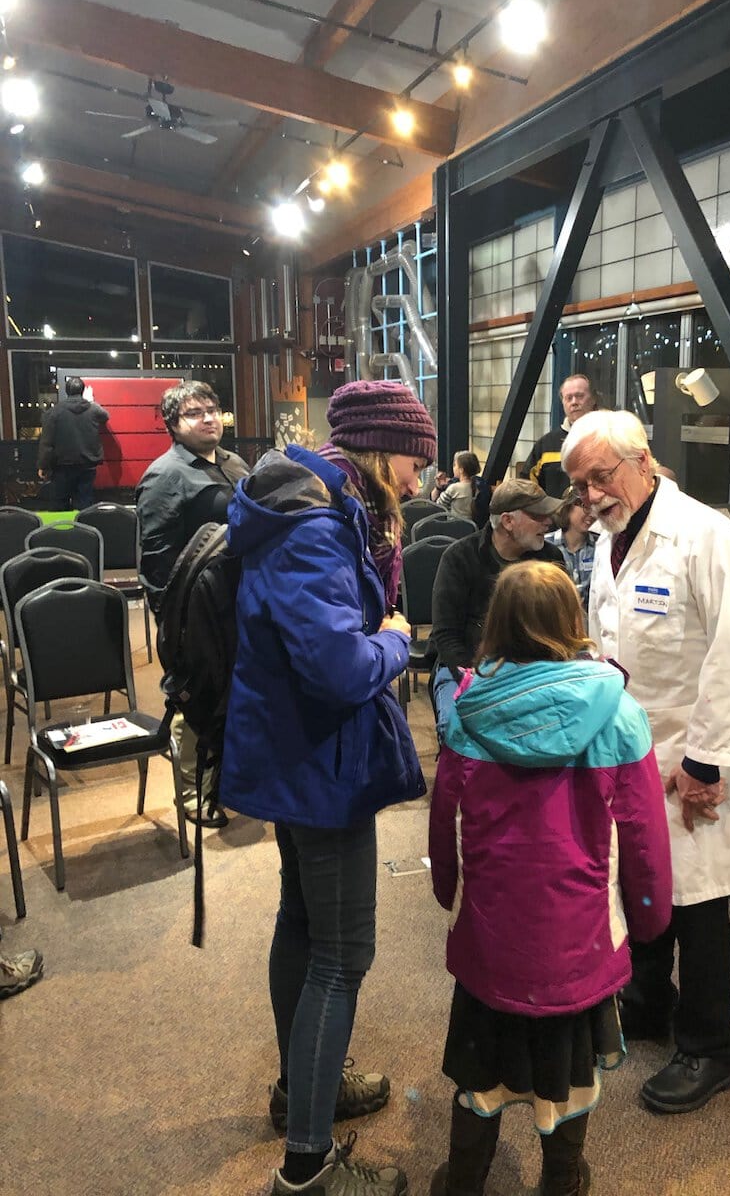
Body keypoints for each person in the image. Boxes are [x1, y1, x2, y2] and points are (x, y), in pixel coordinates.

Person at [219, 379, 436, 1196]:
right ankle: (307, 1170)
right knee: (344, 957)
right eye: (415, 462)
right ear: (382, 452)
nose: (420, 481)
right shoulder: (314, 527)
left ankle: (299, 1089)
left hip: (294, 752)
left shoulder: (317, 508)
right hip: (317, 763)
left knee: (303, 923)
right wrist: (394, 641)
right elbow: (341, 666)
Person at [562, 409, 730, 1114]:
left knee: (697, 903)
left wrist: (705, 762)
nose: (592, 494)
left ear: (642, 459)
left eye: (601, 477)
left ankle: (711, 1047)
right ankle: (649, 1002)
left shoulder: (704, 534)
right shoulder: (610, 538)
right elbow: (608, 641)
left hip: (693, 748)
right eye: (582, 483)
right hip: (629, 749)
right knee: (640, 884)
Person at [429, 562, 672, 1196]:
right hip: (580, 936)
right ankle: (562, 1181)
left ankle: (463, 1181)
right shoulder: (619, 713)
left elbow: (444, 818)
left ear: (496, 624)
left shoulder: (464, 710)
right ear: (574, 621)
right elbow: (644, 833)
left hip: (490, 933)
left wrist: (446, 891)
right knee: (570, 1072)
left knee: (480, 1070)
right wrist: (649, 918)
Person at [136, 381, 249, 828]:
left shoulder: (234, 462)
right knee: (196, 695)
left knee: (236, 691)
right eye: (194, 412)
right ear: (173, 425)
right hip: (195, 610)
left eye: (213, 408)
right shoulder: (165, 475)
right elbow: (158, 561)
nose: (207, 418)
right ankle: (194, 796)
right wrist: (175, 618)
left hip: (240, 598)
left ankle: (228, 780)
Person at [429, 478, 567, 741]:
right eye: (539, 515)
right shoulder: (459, 558)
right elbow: (447, 637)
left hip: (532, 670)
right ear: (507, 521)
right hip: (465, 667)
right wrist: (480, 683)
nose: (548, 522)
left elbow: (561, 629)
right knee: (456, 731)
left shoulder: (550, 560)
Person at [519, 373, 598, 496]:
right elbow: (525, 488)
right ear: (563, 403)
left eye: (579, 396)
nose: (574, 402)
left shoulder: (608, 438)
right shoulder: (545, 445)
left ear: (593, 399)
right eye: (568, 398)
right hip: (555, 514)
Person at [37, 376, 109, 509]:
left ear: (66, 391)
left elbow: (47, 443)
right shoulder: (92, 409)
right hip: (87, 464)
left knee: (60, 501)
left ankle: (64, 529)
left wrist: (43, 465)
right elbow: (105, 416)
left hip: (62, 466)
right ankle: (85, 527)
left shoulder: (54, 413)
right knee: (85, 501)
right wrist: (91, 401)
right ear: (82, 391)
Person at [545, 487, 597, 611]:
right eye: (585, 506)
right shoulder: (546, 545)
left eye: (595, 508)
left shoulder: (600, 546)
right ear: (568, 507)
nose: (591, 514)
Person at [430, 450, 482, 521]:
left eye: (455, 465)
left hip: (453, 528)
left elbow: (439, 505)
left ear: (461, 470)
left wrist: (440, 488)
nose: (453, 467)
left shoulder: (454, 488)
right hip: (471, 527)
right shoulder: (477, 487)